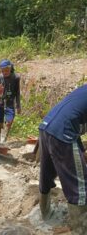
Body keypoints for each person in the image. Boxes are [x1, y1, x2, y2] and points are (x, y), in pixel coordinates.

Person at [38, 85, 87, 234]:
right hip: (63, 132)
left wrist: (82, 152)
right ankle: (80, 229)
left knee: (46, 174)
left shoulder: (83, 89)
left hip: (46, 126)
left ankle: (45, 213)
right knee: (79, 184)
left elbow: (72, 115)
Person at [0, 59, 21, 143]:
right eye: (3, 71)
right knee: (0, 121)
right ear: (1, 70)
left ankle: (4, 138)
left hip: (10, 102)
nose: (5, 72)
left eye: (7, 70)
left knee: (9, 121)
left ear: (10, 68)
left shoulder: (16, 77)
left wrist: (18, 105)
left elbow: (17, 92)